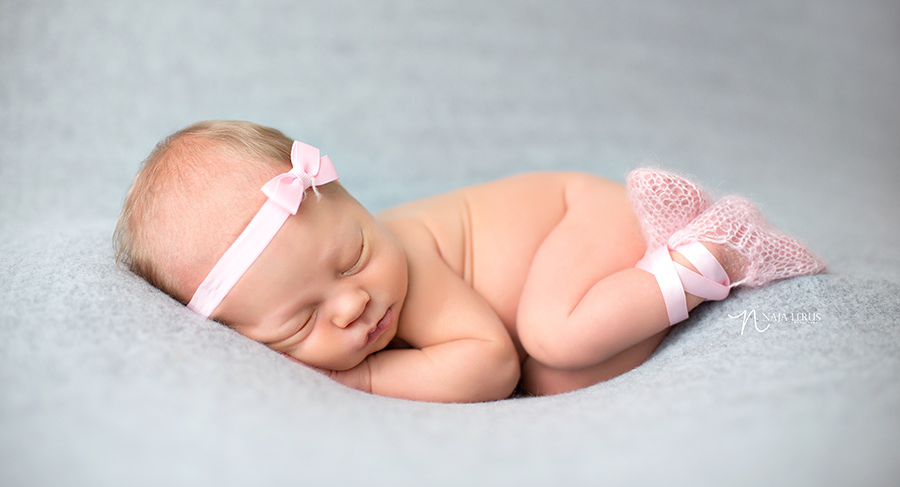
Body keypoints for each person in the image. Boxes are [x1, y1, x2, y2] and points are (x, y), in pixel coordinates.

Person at [114, 120, 826, 402]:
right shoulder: (360, 281)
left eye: (355, 252)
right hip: (563, 268)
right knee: (553, 376)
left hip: (578, 216)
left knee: (551, 337)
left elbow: (490, 364)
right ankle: (665, 255)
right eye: (300, 320)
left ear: (353, 199)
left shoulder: (407, 261)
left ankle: (716, 250)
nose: (353, 302)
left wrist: (361, 374)